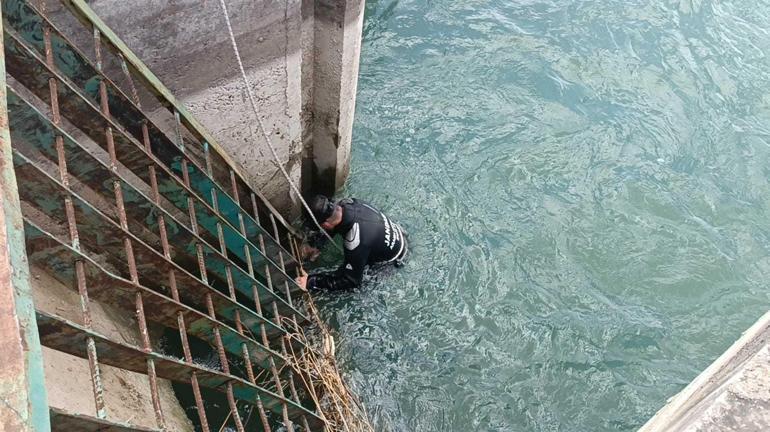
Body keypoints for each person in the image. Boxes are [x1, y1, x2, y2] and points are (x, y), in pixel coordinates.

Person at [295, 195, 408, 291]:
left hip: (392, 261)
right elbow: (333, 224)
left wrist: (312, 282)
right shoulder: (350, 202)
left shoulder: (355, 242)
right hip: (399, 234)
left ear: (326, 225)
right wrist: (317, 245)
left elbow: (351, 281)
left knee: (360, 287)